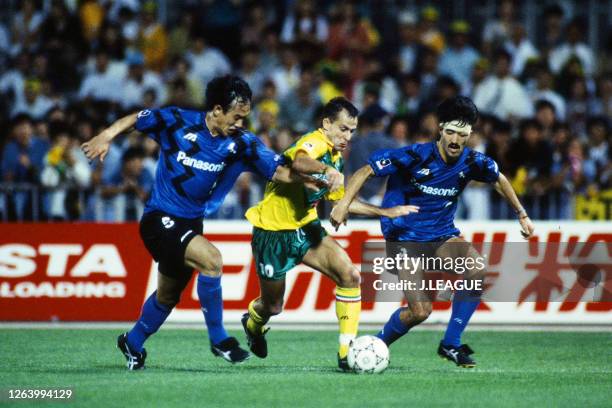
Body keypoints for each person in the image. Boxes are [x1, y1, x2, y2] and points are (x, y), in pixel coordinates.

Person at [81, 75, 330, 370]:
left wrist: (312, 178)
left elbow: (279, 172)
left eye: (244, 117)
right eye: (236, 117)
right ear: (216, 110)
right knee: (212, 260)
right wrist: (106, 135)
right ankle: (219, 339)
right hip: (159, 218)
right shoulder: (176, 120)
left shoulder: (242, 143)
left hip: (190, 224)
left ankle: (132, 343)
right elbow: (139, 117)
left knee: (167, 296)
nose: (240, 123)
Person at [331, 96, 534, 367]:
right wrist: (344, 204)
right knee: (420, 311)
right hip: (404, 238)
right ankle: (375, 344)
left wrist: (521, 214)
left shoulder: (473, 162)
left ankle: (451, 343)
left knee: (475, 268)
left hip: (441, 236)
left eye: (462, 134)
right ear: (440, 129)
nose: (455, 139)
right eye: (450, 132)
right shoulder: (414, 155)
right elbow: (366, 170)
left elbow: (499, 179)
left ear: (470, 135)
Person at [241, 97, 417, 371]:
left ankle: (346, 353)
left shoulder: (335, 156)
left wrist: (386, 212)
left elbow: (341, 203)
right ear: (326, 124)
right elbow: (299, 162)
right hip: (272, 232)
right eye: (343, 128)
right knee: (273, 306)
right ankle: (252, 323)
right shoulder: (315, 142)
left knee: (350, 276)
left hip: (307, 228)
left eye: (352, 131)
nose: (347, 136)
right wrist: (326, 170)